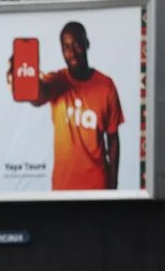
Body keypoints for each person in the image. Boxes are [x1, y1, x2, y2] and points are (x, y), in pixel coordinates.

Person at [7, 21, 124, 190]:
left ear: (87, 44)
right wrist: (24, 78)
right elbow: (38, 96)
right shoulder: (57, 80)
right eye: (66, 47)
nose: (72, 53)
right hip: (63, 187)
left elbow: (113, 140)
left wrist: (113, 187)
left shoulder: (106, 86)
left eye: (76, 45)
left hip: (97, 187)